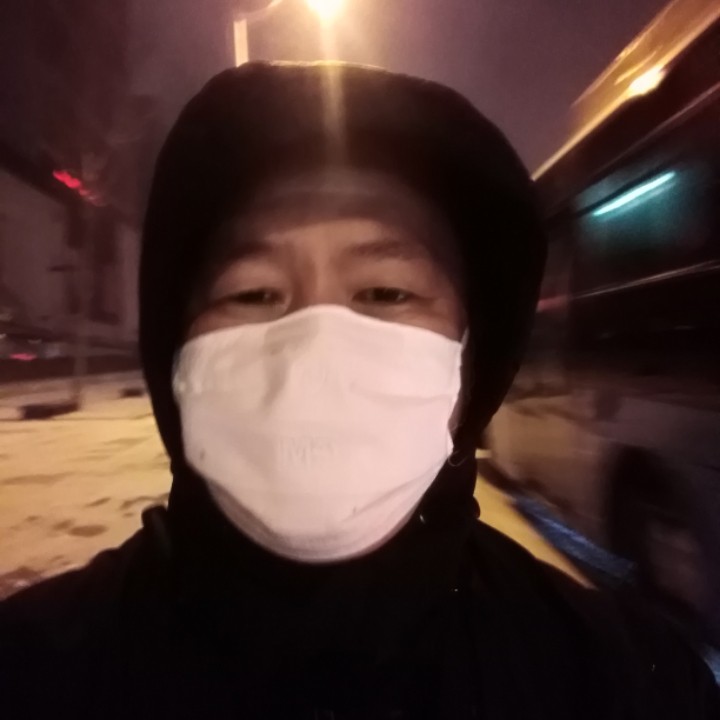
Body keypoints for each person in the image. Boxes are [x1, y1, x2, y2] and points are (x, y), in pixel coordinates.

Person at [1, 62, 718, 720]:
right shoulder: (33, 672)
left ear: (470, 363)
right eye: (253, 293)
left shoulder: (619, 684)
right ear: (175, 357)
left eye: (385, 292)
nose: (315, 346)